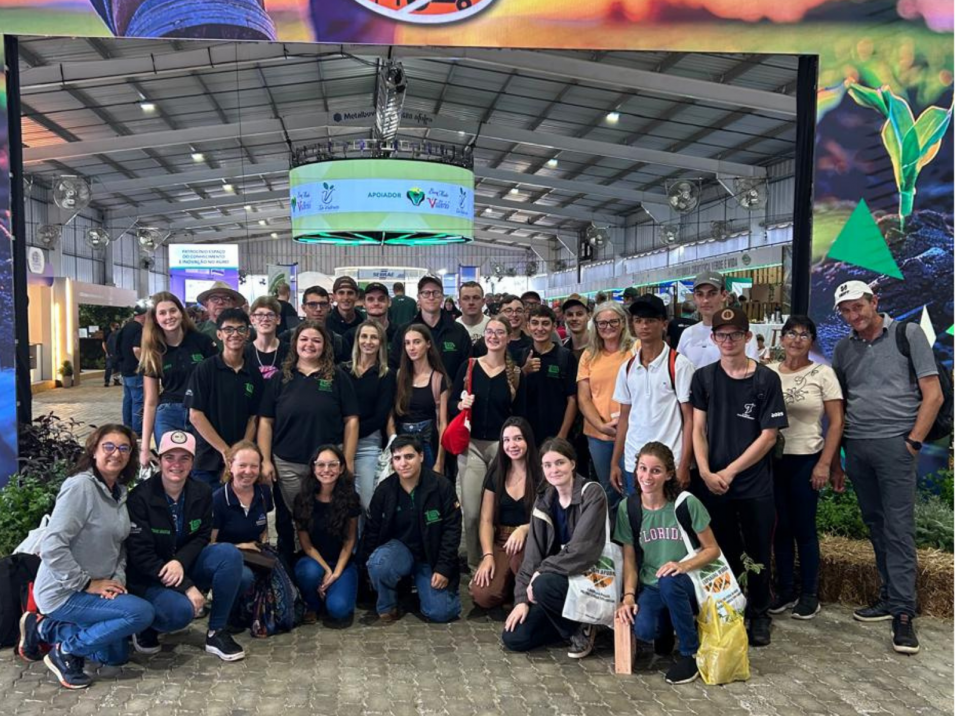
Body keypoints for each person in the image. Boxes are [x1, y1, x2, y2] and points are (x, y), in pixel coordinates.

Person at [830, 281, 942, 654]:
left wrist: (912, 442)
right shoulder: (844, 348)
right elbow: (840, 406)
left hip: (896, 447)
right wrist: (837, 458)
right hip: (858, 448)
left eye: (858, 307)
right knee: (876, 524)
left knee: (898, 528)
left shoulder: (907, 335)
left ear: (874, 302)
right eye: (845, 311)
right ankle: (888, 595)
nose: (852, 316)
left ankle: (904, 613)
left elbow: (934, 394)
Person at [22, 424, 154, 689]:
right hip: (64, 591)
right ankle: (65, 651)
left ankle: (43, 628)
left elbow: (119, 546)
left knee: (114, 656)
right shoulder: (80, 487)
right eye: (109, 446)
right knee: (140, 613)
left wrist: (116, 581)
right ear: (94, 450)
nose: (116, 453)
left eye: (124, 448)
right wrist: (86, 584)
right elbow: (52, 546)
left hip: (97, 588)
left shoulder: (119, 492)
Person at [689, 307, 787, 647]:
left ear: (748, 337)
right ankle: (730, 607)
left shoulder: (766, 380)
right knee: (722, 549)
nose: (728, 340)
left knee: (758, 550)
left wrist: (729, 471)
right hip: (713, 483)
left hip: (753, 485)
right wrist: (703, 470)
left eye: (735, 334)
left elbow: (768, 436)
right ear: (713, 338)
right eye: (721, 335)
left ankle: (760, 612)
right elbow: (697, 429)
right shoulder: (703, 378)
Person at [125, 431, 247, 662]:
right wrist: (188, 587)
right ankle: (147, 625)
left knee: (228, 554)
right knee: (180, 613)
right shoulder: (140, 498)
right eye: (170, 457)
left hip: (182, 566)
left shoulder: (201, 492)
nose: (176, 465)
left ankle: (217, 632)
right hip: (148, 576)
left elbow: (201, 536)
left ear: (193, 461)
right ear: (159, 460)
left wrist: (180, 562)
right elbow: (140, 555)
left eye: (185, 458)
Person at [614, 442, 721, 685]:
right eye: (642, 468)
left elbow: (713, 550)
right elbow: (629, 559)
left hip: (688, 583)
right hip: (651, 584)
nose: (647, 476)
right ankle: (666, 627)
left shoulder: (685, 504)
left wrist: (683, 565)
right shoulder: (628, 508)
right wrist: (629, 596)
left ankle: (690, 654)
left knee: (670, 581)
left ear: (669, 474)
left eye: (655, 470)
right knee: (644, 631)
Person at [258, 321, 359, 564]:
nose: (309, 344)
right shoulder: (280, 378)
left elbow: (352, 421)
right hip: (288, 463)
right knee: (292, 521)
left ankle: (327, 567)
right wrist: (265, 460)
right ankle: (291, 574)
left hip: (328, 466)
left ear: (325, 346)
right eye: (304, 339)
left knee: (326, 519)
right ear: (295, 344)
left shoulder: (337, 377)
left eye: (316, 340)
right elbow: (265, 422)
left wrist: (348, 459)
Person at [502, 438, 607, 659]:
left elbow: (583, 550)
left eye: (559, 463)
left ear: (573, 464)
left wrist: (543, 570)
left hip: (588, 576)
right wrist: (521, 600)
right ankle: (571, 625)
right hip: (554, 584)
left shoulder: (592, 493)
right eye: (547, 465)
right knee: (514, 638)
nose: (554, 469)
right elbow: (531, 556)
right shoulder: (543, 501)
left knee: (543, 584)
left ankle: (583, 628)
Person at [767, 315, 844, 620]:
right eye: (791, 333)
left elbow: (837, 422)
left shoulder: (823, 374)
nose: (797, 339)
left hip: (807, 458)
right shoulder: (769, 373)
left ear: (811, 341)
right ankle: (785, 589)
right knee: (780, 527)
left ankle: (810, 593)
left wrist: (825, 463)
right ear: (781, 338)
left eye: (804, 334)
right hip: (774, 461)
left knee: (804, 528)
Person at [361, 436, 462, 624]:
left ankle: (420, 590)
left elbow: (452, 530)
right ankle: (388, 605)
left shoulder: (441, 486)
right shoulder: (384, 490)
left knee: (441, 613)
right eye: (397, 458)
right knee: (378, 564)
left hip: (431, 556)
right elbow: (372, 530)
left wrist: (443, 568)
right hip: (400, 551)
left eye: (409, 457)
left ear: (421, 456)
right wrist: (368, 570)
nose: (403, 463)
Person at [454, 317, 528, 568]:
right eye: (490, 332)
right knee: (473, 513)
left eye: (500, 332)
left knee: (499, 510)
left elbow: (519, 414)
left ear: (508, 337)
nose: (494, 336)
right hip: (471, 445)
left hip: (502, 447)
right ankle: (477, 562)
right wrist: (460, 404)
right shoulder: (469, 366)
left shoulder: (515, 373)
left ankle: (501, 557)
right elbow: (454, 400)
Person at [611, 295, 695, 497]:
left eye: (650, 321)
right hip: (634, 462)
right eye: (638, 321)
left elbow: (690, 419)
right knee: (636, 520)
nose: (644, 326)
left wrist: (684, 465)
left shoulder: (680, 365)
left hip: (669, 463)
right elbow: (624, 418)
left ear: (663, 324)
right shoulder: (628, 368)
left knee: (669, 524)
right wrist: (615, 461)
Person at [185, 308, 265, 488]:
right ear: (219, 334)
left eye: (240, 329)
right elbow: (195, 415)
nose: (234, 334)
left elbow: (254, 416)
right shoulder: (205, 369)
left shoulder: (253, 373)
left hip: (241, 463)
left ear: (248, 334)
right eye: (228, 329)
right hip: (208, 461)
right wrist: (226, 451)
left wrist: (241, 450)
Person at [470, 418, 542, 610]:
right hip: (501, 539)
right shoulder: (496, 474)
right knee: (482, 596)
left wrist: (524, 529)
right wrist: (487, 556)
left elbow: (549, 515)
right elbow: (485, 520)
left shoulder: (541, 474)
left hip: (532, 538)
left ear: (528, 440)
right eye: (507, 440)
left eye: (518, 438)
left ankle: (521, 594)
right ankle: (508, 586)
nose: (512, 445)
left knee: (520, 560)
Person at [138, 292, 217, 464]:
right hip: (168, 414)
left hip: (200, 412)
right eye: (162, 313)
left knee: (199, 468)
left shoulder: (201, 341)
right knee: (173, 469)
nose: (169, 317)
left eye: (173, 311)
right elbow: (150, 401)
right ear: (155, 319)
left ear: (181, 313)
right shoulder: (154, 351)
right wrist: (144, 447)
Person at [293, 445, 362, 625]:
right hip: (313, 561)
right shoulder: (302, 499)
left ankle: (330, 592)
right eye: (321, 465)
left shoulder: (351, 498)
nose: (326, 470)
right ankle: (312, 603)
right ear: (313, 468)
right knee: (308, 573)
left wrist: (336, 573)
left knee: (339, 610)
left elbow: (350, 540)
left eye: (332, 465)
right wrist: (326, 570)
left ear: (340, 468)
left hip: (343, 562)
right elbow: (306, 545)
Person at [576, 301, 635, 508]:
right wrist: (600, 425)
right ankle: (613, 538)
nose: (607, 327)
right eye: (602, 323)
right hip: (599, 434)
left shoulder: (635, 349)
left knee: (632, 486)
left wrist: (625, 422)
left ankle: (633, 536)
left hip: (631, 433)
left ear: (623, 323)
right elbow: (584, 398)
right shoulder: (589, 355)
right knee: (608, 488)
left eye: (613, 322)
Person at [210, 441, 273, 606]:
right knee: (244, 576)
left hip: (254, 555)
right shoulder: (218, 500)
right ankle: (229, 610)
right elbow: (209, 545)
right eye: (242, 465)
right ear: (230, 466)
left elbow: (264, 525)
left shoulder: (264, 493)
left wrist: (263, 544)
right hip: (227, 558)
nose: (248, 471)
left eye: (254, 466)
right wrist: (240, 546)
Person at [345, 320, 397, 512]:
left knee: (367, 503)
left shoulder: (386, 375)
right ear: (357, 340)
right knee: (343, 503)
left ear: (381, 343)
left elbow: (380, 416)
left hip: (367, 443)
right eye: (364, 336)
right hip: (338, 441)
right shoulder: (342, 371)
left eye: (374, 337)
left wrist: (351, 434)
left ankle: (369, 542)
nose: (368, 341)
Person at [390, 275, 472, 381]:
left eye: (436, 292)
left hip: (452, 396)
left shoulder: (459, 331)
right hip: (413, 396)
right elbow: (394, 366)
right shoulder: (404, 332)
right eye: (426, 293)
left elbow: (467, 369)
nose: (431, 297)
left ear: (442, 297)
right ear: (418, 298)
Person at [392, 323, 450, 472]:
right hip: (402, 443)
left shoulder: (438, 379)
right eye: (407, 343)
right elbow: (391, 413)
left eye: (417, 342)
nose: (411, 347)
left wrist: (440, 461)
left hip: (429, 442)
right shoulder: (399, 376)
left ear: (428, 344)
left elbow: (443, 423)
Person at [522, 305, 578, 446]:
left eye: (545, 323)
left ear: (554, 326)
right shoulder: (521, 355)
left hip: (557, 433)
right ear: (528, 326)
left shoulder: (565, 357)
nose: (539, 328)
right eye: (535, 323)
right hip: (527, 434)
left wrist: (562, 435)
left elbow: (572, 399)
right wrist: (523, 370)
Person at [677, 272, 758, 368]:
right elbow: (679, 369)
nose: (705, 300)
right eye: (700, 294)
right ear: (694, 297)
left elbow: (752, 371)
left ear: (724, 295)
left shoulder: (740, 333)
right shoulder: (688, 334)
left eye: (712, 294)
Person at [280, 285, 348, 363]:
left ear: (329, 307)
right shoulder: (287, 337)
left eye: (323, 304)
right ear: (303, 308)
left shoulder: (339, 342)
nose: (318, 309)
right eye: (312, 305)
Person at [473, 294, 533, 364]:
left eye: (519, 311)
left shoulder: (530, 343)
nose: (514, 315)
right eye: (508, 311)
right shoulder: (486, 342)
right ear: (499, 313)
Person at [117, 302, 147, 436]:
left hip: (125, 369)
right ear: (144, 316)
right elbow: (137, 349)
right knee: (138, 400)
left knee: (128, 399)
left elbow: (116, 346)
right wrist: (144, 363)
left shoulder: (125, 327)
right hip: (136, 370)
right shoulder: (140, 329)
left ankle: (127, 427)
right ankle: (137, 430)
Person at [343, 282, 396, 356]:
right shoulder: (351, 336)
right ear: (364, 303)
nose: (376, 303)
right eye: (371, 299)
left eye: (381, 299)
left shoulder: (399, 334)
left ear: (389, 302)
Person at [246, 295, 289, 380]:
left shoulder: (290, 351)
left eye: (270, 314)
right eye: (260, 315)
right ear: (252, 320)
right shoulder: (245, 353)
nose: (265, 319)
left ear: (278, 319)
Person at [102, 321, 121, 387]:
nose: (117, 327)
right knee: (109, 367)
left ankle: (116, 380)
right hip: (110, 352)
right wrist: (107, 352)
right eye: (116, 326)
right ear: (112, 326)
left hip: (116, 352)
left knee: (117, 367)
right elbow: (104, 343)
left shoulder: (118, 333)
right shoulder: (108, 333)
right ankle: (107, 381)